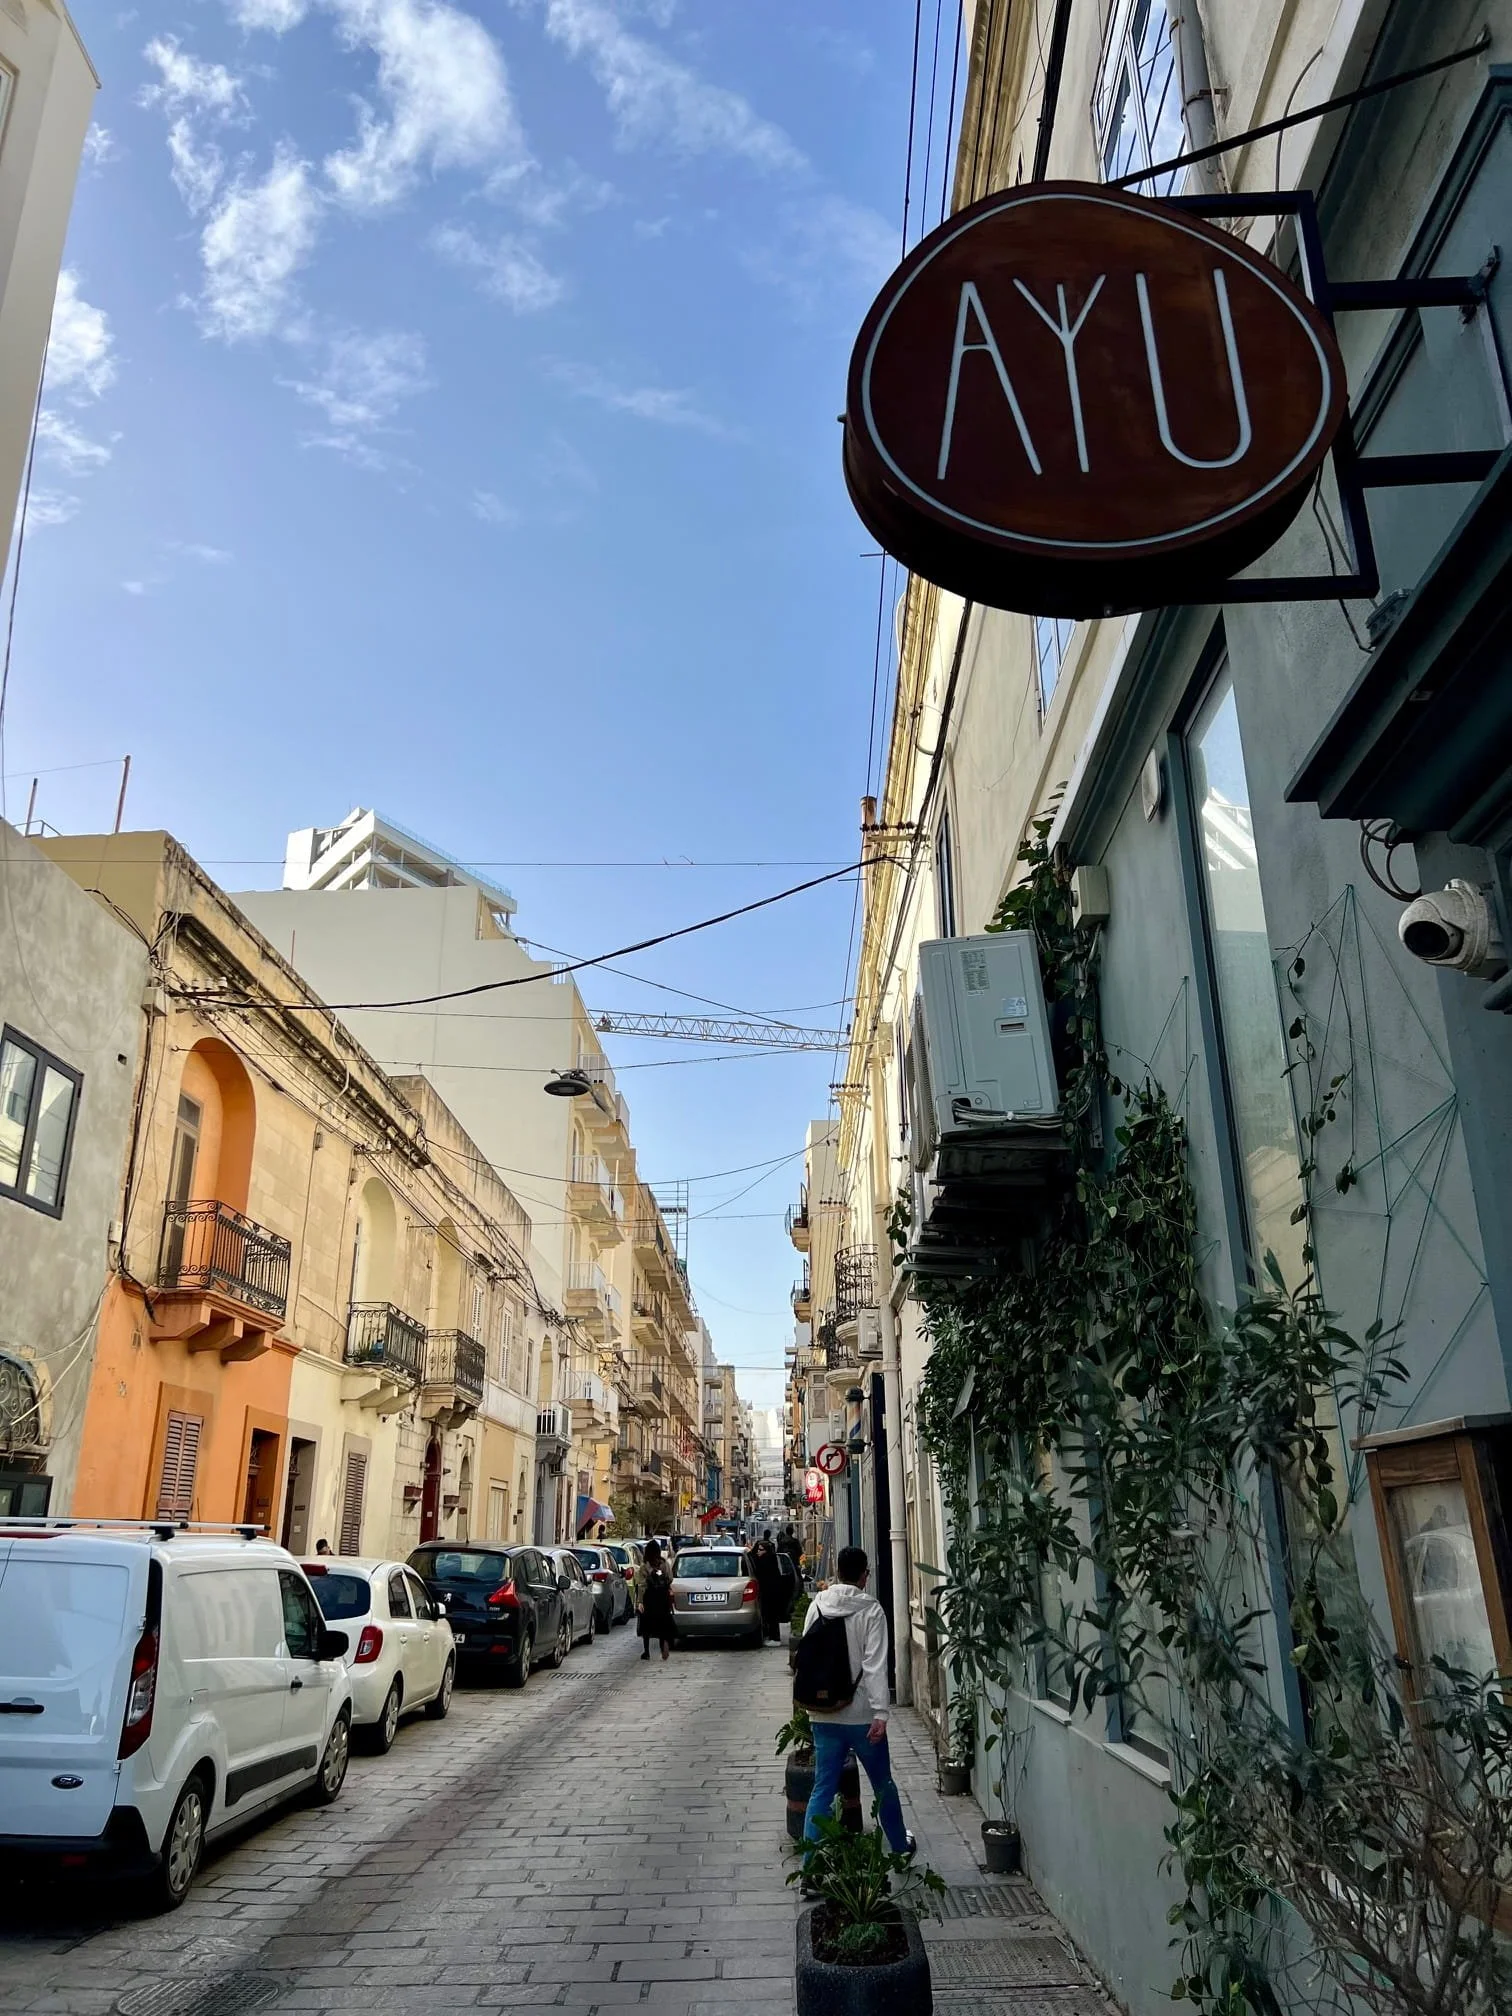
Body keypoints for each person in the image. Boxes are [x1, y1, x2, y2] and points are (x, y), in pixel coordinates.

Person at [800, 1545, 915, 1861]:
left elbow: (808, 1658)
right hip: (862, 1715)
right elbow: (874, 1665)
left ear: (837, 1572)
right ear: (865, 1575)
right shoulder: (872, 1610)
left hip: (825, 1713)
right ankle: (899, 1847)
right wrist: (881, 1713)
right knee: (882, 1784)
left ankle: (809, 1865)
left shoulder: (817, 1605)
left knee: (822, 1789)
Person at [635, 1539, 676, 1662]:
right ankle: (663, 1646)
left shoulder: (644, 1567)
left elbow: (641, 1585)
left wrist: (640, 1602)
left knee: (646, 1626)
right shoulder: (664, 1564)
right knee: (663, 1623)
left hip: (650, 1598)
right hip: (663, 1597)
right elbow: (670, 1578)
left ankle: (646, 1652)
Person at [750, 1536, 785, 1642]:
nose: (758, 1552)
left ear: (766, 1551)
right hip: (770, 1592)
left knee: (770, 1615)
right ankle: (772, 1635)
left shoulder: (765, 1561)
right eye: (758, 1549)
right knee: (770, 1615)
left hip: (769, 1593)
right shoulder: (770, 1559)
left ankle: (772, 1636)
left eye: (760, 1550)